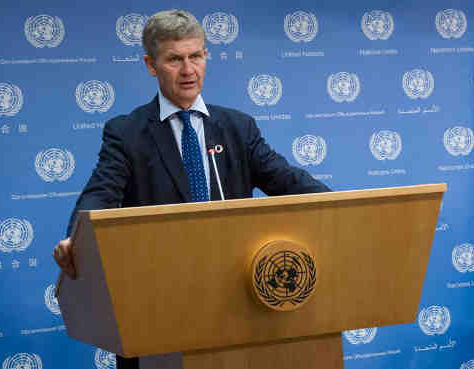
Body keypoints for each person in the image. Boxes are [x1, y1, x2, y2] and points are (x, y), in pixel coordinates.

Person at [53, 9, 329, 369]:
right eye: (175, 59)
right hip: (159, 305)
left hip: (239, 301)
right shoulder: (126, 132)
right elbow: (101, 192)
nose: (188, 70)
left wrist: (340, 206)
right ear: (151, 65)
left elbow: (286, 179)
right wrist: (76, 237)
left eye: (196, 56)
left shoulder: (237, 127)